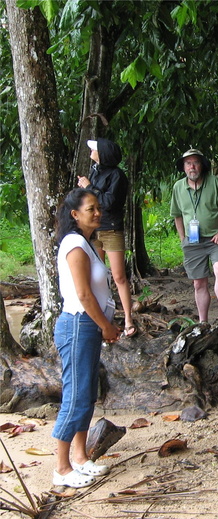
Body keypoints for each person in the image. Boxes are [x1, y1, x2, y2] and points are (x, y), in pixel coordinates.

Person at [52, 188, 121, 488]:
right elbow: (82, 294)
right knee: (75, 395)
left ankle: (80, 457)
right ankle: (61, 467)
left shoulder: (87, 243)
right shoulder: (74, 244)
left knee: (87, 393)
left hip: (88, 326)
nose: (97, 212)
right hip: (79, 324)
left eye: (98, 207)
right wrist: (106, 325)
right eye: (91, 208)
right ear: (74, 214)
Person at [77, 138, 135, 337]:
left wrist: (90, 186)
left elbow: (109, 202)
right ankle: (100, 318)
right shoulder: (95, 170)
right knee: (97, 276)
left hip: (111, 228)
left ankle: (128, 319)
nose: (91, 151)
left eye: (94, 149)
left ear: (103, 153)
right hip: (93, 230)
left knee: (118, 276)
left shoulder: (117, 175)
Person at [170, 148, 218, 323]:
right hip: (193, 240)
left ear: (201, 165)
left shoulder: (214, 182)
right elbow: (177, 216)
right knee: (199, 283)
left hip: (215, 238)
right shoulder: (178, 187)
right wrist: (183, 239)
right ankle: (203, 322)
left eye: (195, 162)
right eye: (188, 163)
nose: (192, 167)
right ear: (183, 167)